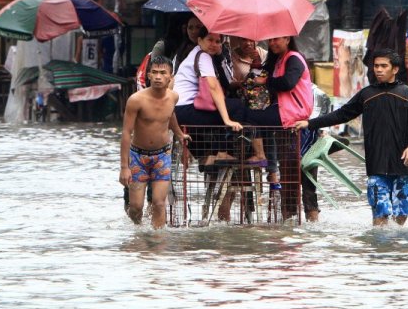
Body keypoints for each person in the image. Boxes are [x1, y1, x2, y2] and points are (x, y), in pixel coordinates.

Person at [295, 48, 408, 226]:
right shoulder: (367, 94)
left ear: (395, 69)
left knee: (402, 213)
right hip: (376, 164)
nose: (378, 69)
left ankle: (394, 249)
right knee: (379, 214)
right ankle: (379, 248)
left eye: (384, 66)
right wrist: (311, 123)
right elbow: (342, 114)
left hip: (403, 161)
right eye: (376, 66)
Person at [247, 36, 314, 221]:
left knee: (248, 116)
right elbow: (265, 73)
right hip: (282, 112)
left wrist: (265, 82)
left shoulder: (294, 57)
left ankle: (265, 160)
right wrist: (258, 63)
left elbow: (287, 82)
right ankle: (271, 167)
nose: (273, 44)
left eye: (277, 40)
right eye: (270, 41)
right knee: (254, 116)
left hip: (292, 114)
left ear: (287, 39)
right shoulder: (277, 60)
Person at [119, 55, 190, 229]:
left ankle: (157, 243)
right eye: (154, 72)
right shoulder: (136, 100)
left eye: (162, 73)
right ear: (148, 75)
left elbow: (170, 115)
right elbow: (126, 133)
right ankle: (138, 232)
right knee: (136, 207)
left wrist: (180, 135)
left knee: (159, 203)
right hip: (138, 157)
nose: (158, 76)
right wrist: (124, 167)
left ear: (170, 77)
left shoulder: (173, 97)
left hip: (162, 155)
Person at [173, 26, 247, 165]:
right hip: (185, 110)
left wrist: (219, 56)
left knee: (220, 112)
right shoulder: (203, 56)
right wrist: (227, 120)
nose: (214, 44)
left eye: (218, 41)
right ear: (200, 40)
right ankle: (223, 153)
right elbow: (213, 87)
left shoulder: (195, 53)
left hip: (178, 111)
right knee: (237, 107)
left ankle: (208, 156)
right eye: (210, 40)